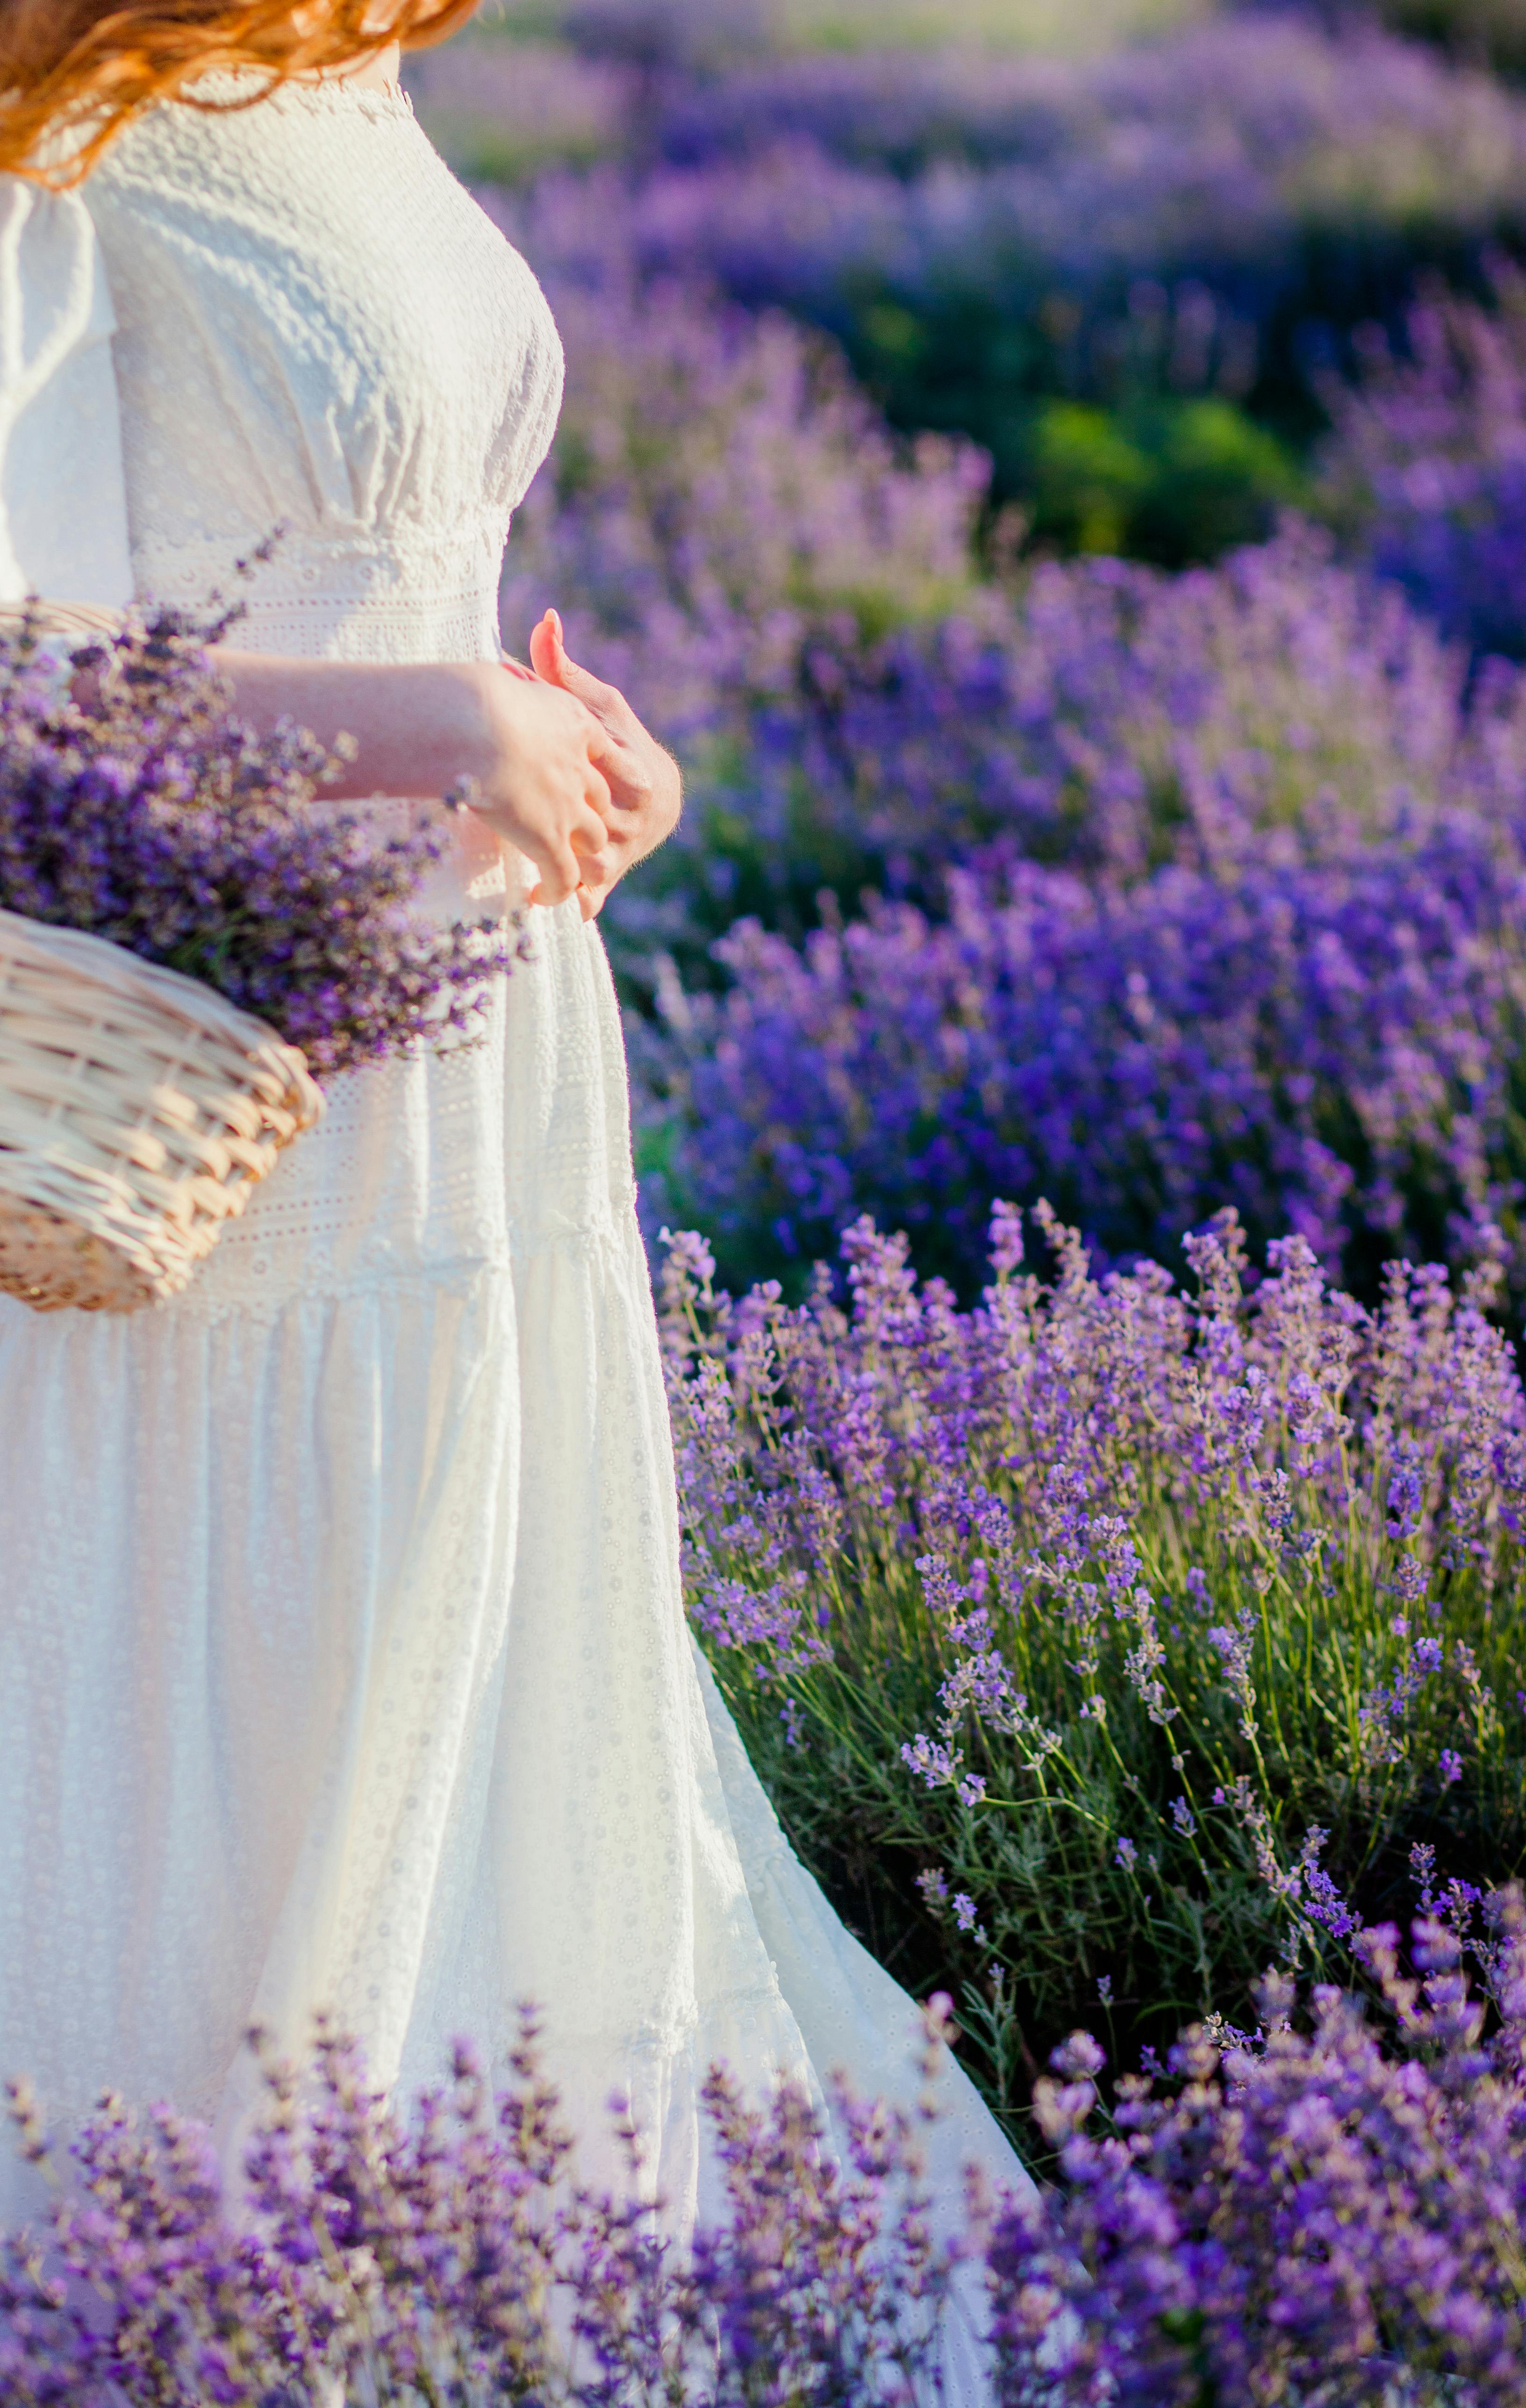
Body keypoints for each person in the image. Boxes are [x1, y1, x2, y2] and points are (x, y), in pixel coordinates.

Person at [0, 0, 1030, 2377]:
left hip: (479, 1071)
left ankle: (456, 2248)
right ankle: (205, 2282)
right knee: (243, 1701)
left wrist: (570, 742)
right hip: (234, 1090)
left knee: (463, 1642)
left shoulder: (340, 74)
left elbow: (391, 547)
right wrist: (444, 724)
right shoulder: (68, 118)